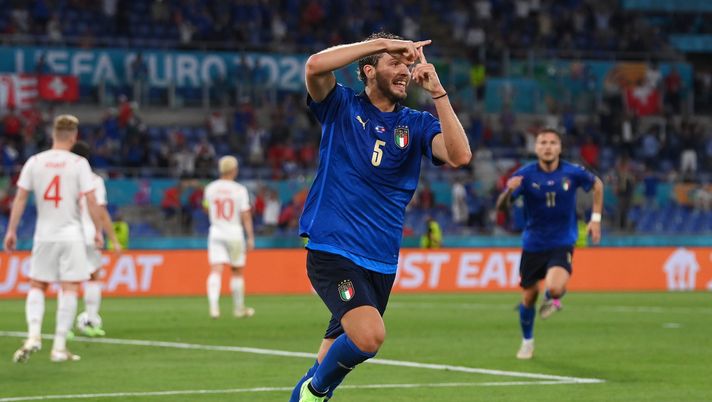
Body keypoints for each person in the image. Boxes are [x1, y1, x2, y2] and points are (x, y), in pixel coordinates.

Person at [290, 32, 471, 402]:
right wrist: (382, 43)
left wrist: (439, 93)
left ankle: (310, 393)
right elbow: (314, 66)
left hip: (381, 262)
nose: (405, 70)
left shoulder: (416, 123)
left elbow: (459, 156)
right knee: (370, 336)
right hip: (333, 250)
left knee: (328, 357)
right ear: (369, 70)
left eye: (407, 64)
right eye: (395, 63)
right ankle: (314, 392)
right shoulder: (340, 106)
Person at [495, 128, 603, 360]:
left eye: (553, 142)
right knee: (529, 297)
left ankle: (553, 297)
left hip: (562, 242)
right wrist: (507, 194)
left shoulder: (572, 172)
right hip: (533, 245)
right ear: (536, 148)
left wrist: (595, 219)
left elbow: (598, 185)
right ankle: (527, 341)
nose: (547, 146)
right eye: (543, 142)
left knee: (554, 287)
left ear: (559, 147)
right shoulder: (524, 175)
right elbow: (501, 209)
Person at [4, 115, 103, 363]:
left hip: (44, 236)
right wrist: (98, 231)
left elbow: (20, 198)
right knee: (69, 287)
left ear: (53, 135)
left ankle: (34, 334)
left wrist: (11, 230)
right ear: (74, 136)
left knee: (37, 284)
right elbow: (91, 200)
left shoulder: (35, 161)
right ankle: (59, 348)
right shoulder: (79, 163)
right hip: (71, 236)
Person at [70, 141, 122, 337]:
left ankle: (64, 328)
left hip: (67, 234)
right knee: (93, 277)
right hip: (90, 233)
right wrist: (112, 239)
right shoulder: (94, 180)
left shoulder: (63, 178)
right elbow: (100, 211)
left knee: (69, 281)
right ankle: (91, 321)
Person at [203, 156, 255, 319]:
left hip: (216, 232)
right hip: (234, 233)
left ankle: (214, 308)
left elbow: (206, 208)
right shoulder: (239, 189)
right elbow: (245, 215)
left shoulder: (210, 188)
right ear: (233, 170)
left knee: (216, 269)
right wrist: (250, 237)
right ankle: (239, 309)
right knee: (237, 271)